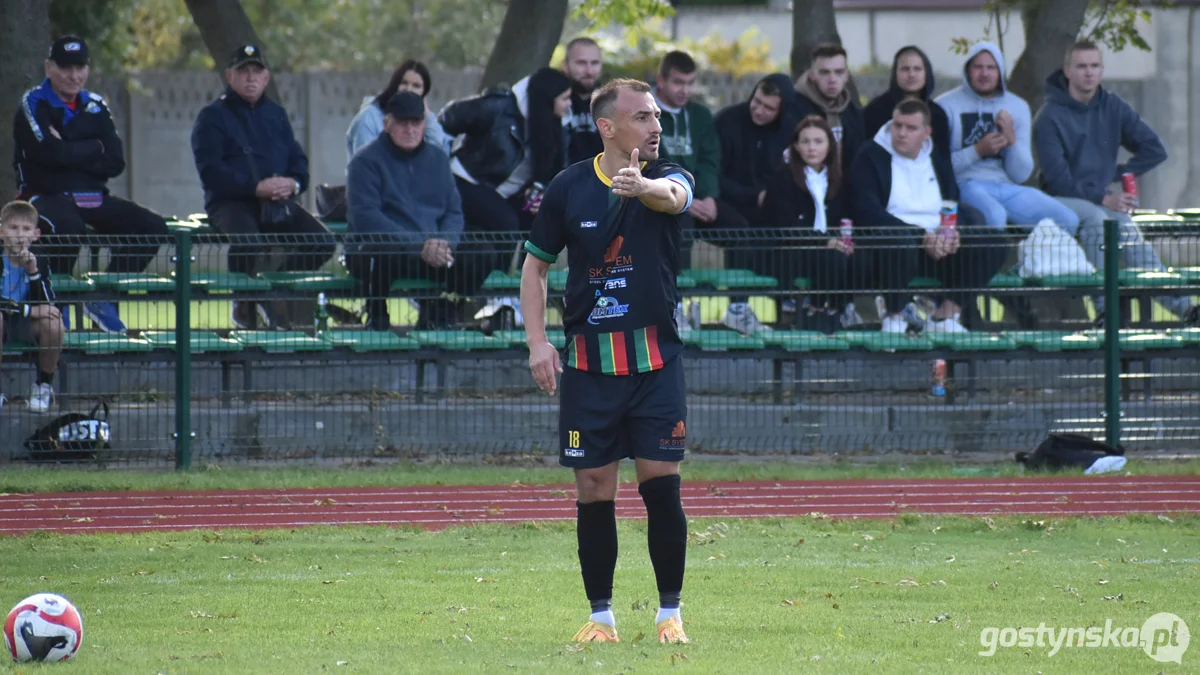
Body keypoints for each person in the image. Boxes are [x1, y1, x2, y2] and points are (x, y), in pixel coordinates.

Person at [519, 78, 694, 645]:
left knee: (659, 485)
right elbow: (535, 268)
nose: (655, 126)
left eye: (657, 117)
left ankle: (671, 614)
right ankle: (601, 619)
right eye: (642, 117)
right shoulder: (568, 187)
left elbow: (673, 199)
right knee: (593, 488)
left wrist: (641, 185)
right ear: (608, 126)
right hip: (589, 369)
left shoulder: (670, 177)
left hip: (655, 364)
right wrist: (538, 343)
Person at [1034, 40, 1198, 326]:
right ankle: (1105, 308)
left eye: (1094, 66)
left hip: (1099, 198)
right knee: (1100, 220)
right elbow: (1059, 182)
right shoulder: (1048, 117)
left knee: (1123, 225)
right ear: (1068, 71)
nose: (1089, 72)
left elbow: (1154, 149)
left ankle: (1185, 308)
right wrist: (1104, 196)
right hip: (1060, 200)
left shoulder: (1112, 106)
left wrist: (1121, 174)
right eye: (1082, 66)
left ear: (1102, 70)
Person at [13, 35, 170, 334]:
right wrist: (92, 147)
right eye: (66, 67)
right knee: (67, 227)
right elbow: (46, 152)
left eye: (80, 67)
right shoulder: (34, 102)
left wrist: (68, 150)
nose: (74, 75)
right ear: (49, 68)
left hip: (91, 195)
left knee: (152, 227)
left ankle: (101, 298)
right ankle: (54, 306)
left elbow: (115, 160)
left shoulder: (95, 104)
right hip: (45, 194)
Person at [191, 44, 336, 330]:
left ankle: (270, 292)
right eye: (243, 71)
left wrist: (292, 183)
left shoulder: (276, 114)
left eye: (256, 71)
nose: (250, 77)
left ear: (266, 77)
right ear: (229, 76)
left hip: (276, 203)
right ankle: (244, 304)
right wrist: (255, 188)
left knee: (322, 243)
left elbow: (299, 162)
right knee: (249, 244)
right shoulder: (212, 117)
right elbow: (211, 172)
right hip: (230, 204)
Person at [850, 100, 1006, 334]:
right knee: (896, 241)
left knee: (995, 243)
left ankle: (945, 317)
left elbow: (952, 202)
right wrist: (921, 235)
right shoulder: (869, 156)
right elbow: (866, 211)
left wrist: (953, 234)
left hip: (939, 244)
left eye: (911, 128)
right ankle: (895, 317)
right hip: (894, 246)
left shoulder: (937, 158)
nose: (901, 133)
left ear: (926, 133)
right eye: (897, 125)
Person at [345, 92, 474, 331]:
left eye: (416, 123)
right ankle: (377, 315)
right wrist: (420, 245)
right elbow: (366, 218)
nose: (410, 130)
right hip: (385, 249)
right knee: (382, 251)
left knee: (483, 254)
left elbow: (453, 211)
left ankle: (440, 311)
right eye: (403, 123)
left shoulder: (437, 158)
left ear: (424, 125)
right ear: (387, 124)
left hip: (433, 251)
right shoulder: (365, 162)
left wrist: (445, 243)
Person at [936, 42, 1079, 233]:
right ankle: (991, 263)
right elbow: (939, 168)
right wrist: (977, 151)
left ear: (1000, 71)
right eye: (978, 67)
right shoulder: (944, 106)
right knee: (995, 216)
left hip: (1006, 186)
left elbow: (1021, 175)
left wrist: (1011, 141)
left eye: (991, 68)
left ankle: (1034, 263)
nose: (984, 73)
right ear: (967, 70)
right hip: (964, 184)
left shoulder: (1017, 106)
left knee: (1067, 219)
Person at [758, 116, 871, 333]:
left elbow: (848, 214)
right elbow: (785, 226)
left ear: (830, 145)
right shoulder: (784, 177)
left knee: (861, 259)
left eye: (818, 141)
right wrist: (826, 241)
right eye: (806, 141)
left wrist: (845, 240)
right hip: (794, 249)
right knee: (833, 258)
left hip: (833, 244)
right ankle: (817, 309)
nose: (812, 148)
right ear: (796, 146)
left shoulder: (840, 177)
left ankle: (841, 306)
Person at [439, 67, 572, 234]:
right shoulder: (500, 107)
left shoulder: (559, 126)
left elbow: (556, 171)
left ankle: (526, 262)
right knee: (505, 222)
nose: (570, 104)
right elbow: (448, 118)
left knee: (540, 219)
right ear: (547, 99)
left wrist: (542, 195)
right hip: (468, 181)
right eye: (565, 98)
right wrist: (439, 161)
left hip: (509, 194)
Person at [0, 200, 62, 413]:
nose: (19, 235)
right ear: (1, 232)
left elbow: (46, 303)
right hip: (3, 321)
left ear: (35, 235)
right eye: (13, 228)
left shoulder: (40, 258)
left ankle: (43, 385)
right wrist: (29, 311)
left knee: (54, 322)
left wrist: (33, 271)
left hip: (24, 323)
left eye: (26, 229)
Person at [715, 74, 798, 224]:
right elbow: (714, 174)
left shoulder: (790, 131)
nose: (759, 111)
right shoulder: (727, 121)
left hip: (773, 207)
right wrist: (754, 196)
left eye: (769, 108)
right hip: (728, 202)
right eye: (757, 101)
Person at [863, 46, 951, 166]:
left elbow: (943, 161)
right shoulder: (875, 110)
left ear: (926, 73)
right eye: (905, 69)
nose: (911, 74)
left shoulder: (937, 114)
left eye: (917, 69)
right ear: (895, 73)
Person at [346, 59, 450, 159]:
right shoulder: (369, 118)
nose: (409, 89)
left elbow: (440, 158)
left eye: (416, 86)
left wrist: (427, 114)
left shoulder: (424, 121)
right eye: (404, 83)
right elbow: (366, 163)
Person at [793, 43, 866, 176]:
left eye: (839, 72)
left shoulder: (852, 113)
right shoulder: (794, 109)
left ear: (846, 76)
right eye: (824, 72)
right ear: (811, 75)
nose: (832, 79)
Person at [562, 37, 605, 164]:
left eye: (595, 63)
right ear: (565, 65)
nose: (589, 71)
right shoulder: (553, 100)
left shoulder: (612, 101)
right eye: (581, 63)